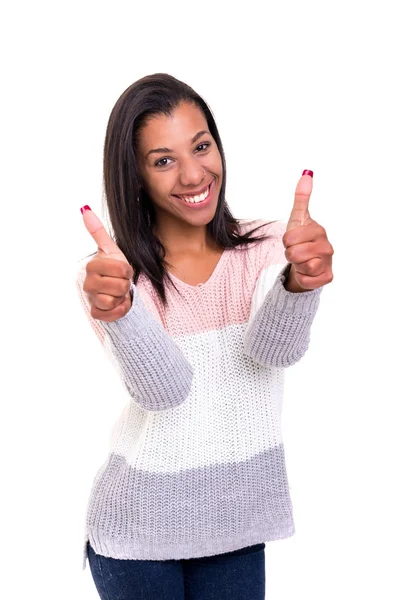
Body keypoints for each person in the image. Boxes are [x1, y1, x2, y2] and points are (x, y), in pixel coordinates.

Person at [75, 73, 334, 600]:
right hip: (137, 533)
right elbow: (165, 391)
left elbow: (272, 352)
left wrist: (299, 284)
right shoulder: (112, 276)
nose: (194, 174)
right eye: (164, 160)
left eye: (201, 146)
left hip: (238, 525)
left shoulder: (267, 247)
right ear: (136, 177)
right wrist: (123, 312)